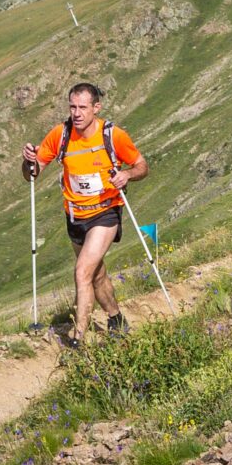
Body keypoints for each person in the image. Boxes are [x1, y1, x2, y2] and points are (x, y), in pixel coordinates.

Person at [23, 81, 148, 348]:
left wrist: (126, 174)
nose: (76, 113)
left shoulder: (112, 136)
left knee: (82, 272)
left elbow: (141, 166)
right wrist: (29, 161)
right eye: (72, 107)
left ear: (96, 108)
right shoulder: (61, 134)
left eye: (82, 107)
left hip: (105, 212)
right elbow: (32, 174)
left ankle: (78, 339)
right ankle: (116, 319)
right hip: (75, 215)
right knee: (96, 274)